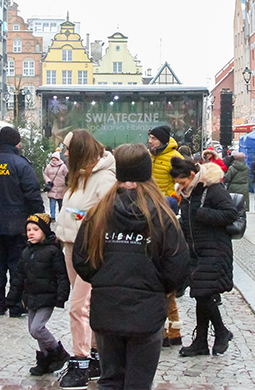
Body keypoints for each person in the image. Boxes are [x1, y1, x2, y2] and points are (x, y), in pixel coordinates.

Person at [73, 144, 189, 390]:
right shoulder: (162, 215)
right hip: (146, 313)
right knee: (138, 383)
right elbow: (177, 265)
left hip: (108, 309)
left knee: (110, 380)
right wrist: (158, 288)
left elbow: (82, 260)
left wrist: (104, 280)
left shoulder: (98, 214)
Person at [56, 130, 116, 388]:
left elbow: (103, 217)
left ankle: (80, 361)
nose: (65, 153)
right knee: (85, 307)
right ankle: (95, 355)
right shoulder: (79, 176)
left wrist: (78, 218)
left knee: (78, 307)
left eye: (69, 149)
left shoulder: (103, 178)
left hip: (90, 250)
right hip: (71, 246)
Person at [170, 157, 237, 357]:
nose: (180, 186)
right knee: (201, 294)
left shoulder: (212, 188)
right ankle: (201, 341)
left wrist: (203, 214)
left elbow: (230, 213)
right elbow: (189, 220)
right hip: (197, 250)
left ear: (192, 175)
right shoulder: (188, 193)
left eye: (182, 182)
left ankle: (221, 332)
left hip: (215, 249)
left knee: (202, 292)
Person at [0, 126, 44, 318]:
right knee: (16, 265)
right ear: (17, 143)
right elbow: (33, 195)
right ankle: (16, 304)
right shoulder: (21, 165)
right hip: (17, 226)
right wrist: (39, 221)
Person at [9, 213, 71, 377]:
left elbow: (61, 275)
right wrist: (13, 295)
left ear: (44, 231)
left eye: (35, 229)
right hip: (31, 297)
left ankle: (59, 352)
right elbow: (19, 276)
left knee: (37, 328)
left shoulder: (52, 251)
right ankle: (45, 359)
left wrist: (61, 295)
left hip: (47, 297)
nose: (31, 233)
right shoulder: (26, 252)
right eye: (28, 229)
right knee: (32, 329)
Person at [145, 125, 183, 348]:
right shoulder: (150, 156)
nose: (149, 141)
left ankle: (173, 331)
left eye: (152, 138)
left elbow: (179, 183)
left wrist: (170, 200)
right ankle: (167, 331)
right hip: (150, 211)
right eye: (149, 138)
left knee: (164, 281)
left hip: (165, 212)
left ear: (161, 139)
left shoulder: (174, 157)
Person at [44, 152, 69, 219]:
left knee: (61, 204)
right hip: (52, 187)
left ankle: (61, 216)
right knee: (52, 203)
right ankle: (52, 216)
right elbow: (45, 174)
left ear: (58, 158)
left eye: (55, 158)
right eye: (53, 158)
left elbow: (67, 175)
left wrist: (67, 182)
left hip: (61, 188)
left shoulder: (63, 166)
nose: (54, 159)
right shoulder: (48, 166)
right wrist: (48, 181)